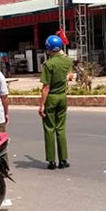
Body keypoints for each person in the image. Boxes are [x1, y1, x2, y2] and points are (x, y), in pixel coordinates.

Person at [38, 35, 73, 170]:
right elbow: (69, 76)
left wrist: (42, 105)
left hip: (51, 97)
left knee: (49, 129)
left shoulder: (49, 64)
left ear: (49, 48)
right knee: (61, 128)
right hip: (62, 97)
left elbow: (46, 87)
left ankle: (52, 160)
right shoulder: (67, 61)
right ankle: (63, 159)